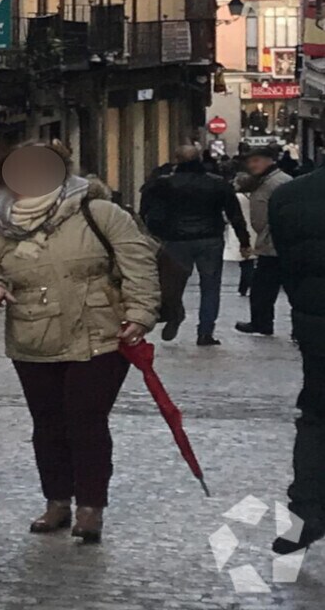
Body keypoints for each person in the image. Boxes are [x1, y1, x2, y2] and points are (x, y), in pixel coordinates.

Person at [0, 140, 160, 545]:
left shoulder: (99, 212)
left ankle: (90, 506)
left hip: (98, 334)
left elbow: (139, 265)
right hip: (32, 335)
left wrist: (140, 313)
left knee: (86, 420)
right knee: (48, 424)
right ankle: (57, 500)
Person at [140, 140, 250, 347]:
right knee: (210, 286)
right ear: (199, 159)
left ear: (176, 160)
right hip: (210, 239)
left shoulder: (163, 184)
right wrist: (244, 241)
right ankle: (205, 331)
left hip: (176, 240)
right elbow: (234, 214)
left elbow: (147, 210)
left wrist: (153, 234)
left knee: (172, 285)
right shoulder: (217, 183)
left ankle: (175, 314)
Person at [268, 160, 325, 554]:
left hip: (315, 323)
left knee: (316, 417)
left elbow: (287, 265)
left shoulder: (288, 196)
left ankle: (307, 510)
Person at [236, 145, 292, 337]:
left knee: (270, 287)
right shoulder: (261, 181)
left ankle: (264, 323)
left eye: (256, 161)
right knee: (263, 288)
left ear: (270, 161)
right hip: (268, 243)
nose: (252, 165)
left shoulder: (279, 182)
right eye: (250, 162)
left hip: (276, 243)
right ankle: (261, 323)